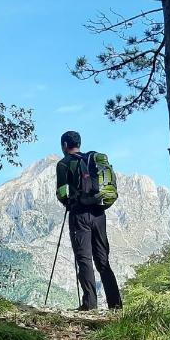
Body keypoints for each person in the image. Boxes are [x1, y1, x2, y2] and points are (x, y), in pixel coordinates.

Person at [55, 130, 122, 311]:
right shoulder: (93, 160)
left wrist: (68, 203)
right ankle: (116, 305)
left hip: (80, 215)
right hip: (99, 213)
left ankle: (89, 304)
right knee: (103, 260)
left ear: (64, 145)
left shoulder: (64, 163)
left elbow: (61, 192)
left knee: (84, 259)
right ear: (79, 143)